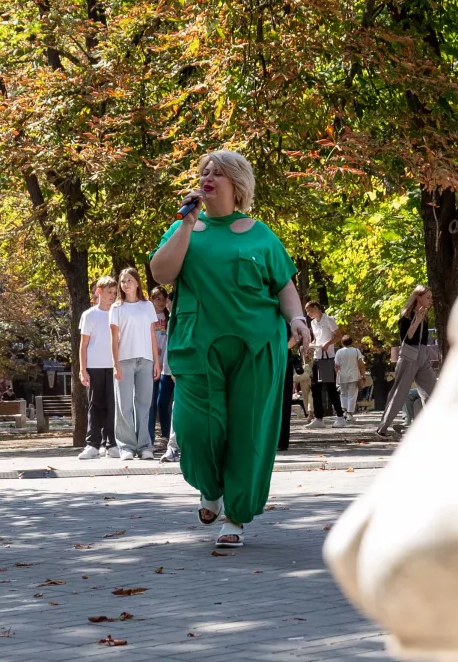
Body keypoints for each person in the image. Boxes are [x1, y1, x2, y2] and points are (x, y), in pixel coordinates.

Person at [148, 149, 311, 547]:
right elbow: (161, 273)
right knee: (195, 428)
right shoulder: (185, 228)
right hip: (197, 345)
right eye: (205, 171)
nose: (209, 177)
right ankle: (210, 490)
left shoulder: (260, 234)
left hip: (256, 349)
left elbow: (284, 288)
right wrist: (185, 225)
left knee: (248, 431)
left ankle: (234, 518)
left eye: (218, 173)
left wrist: (298, 319)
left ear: (237, 185)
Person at [109, 267, 159, 460]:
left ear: (137, 282)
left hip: (145, 360)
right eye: (122, 281)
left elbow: (152, 335)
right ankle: (126, 447)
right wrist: (115, 364)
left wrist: (156, 361)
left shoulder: (147, 306)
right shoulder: (117, 308)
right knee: (124, 405)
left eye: (129, 280)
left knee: (144, 404)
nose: (125, 284)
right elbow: (113, 339)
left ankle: (145, 445)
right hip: (124, 360)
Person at [375, 285, 438, 437]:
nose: (431, 301)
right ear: (418, 298)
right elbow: (407, 338)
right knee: (399, 393)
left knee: (435, 392)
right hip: (409, 357)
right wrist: (417, 321)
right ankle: (382, 429)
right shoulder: (407, 316)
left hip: (422, 357)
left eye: (431, 297)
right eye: (428, 297)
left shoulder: (425, 316)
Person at [77, 277, 118, 460]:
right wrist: (82, 370)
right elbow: (83, 345)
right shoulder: (89, 315)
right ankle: (92, 444)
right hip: (94, 366)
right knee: (95, 406)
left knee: (112, 405)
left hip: (114, 365)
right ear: (99, 292)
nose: (113, 296)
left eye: (115, 293)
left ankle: (111, 444)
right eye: (110, 292)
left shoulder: (117, 313)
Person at [303, 300, 347, 429]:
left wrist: (328, 343)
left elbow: (339, 336)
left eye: (310, 310)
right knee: (315, 388)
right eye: (307, 311)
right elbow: (317, 338)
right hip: (317, 357)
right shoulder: (313, 323)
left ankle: (340, 416)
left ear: (317, 307)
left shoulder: (328, 319)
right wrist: (311, 345)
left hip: (327, 358)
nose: (308, 313)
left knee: (330, 388)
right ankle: (318, 418)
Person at [150, 286, 175, 445]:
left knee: (165, 401)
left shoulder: (170, 317)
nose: (160, 301)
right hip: (153, 364)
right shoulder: (148, 316)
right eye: (156, 298)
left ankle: (167, 435)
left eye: (162, 298)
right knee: (153, 402)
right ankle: (149, 436)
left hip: (168, 364)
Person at [334, 335, 366, 419]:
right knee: (352, 394)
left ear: (342, 343)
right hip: (354, 376)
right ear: (352, 342)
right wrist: (363, 375)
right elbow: (361, 364)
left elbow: (336, 366)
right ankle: (350, 414)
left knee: (343, 394)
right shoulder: (356, 351)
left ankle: (344, 412)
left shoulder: (338, 352)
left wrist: (338, 374)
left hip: (342, 376)